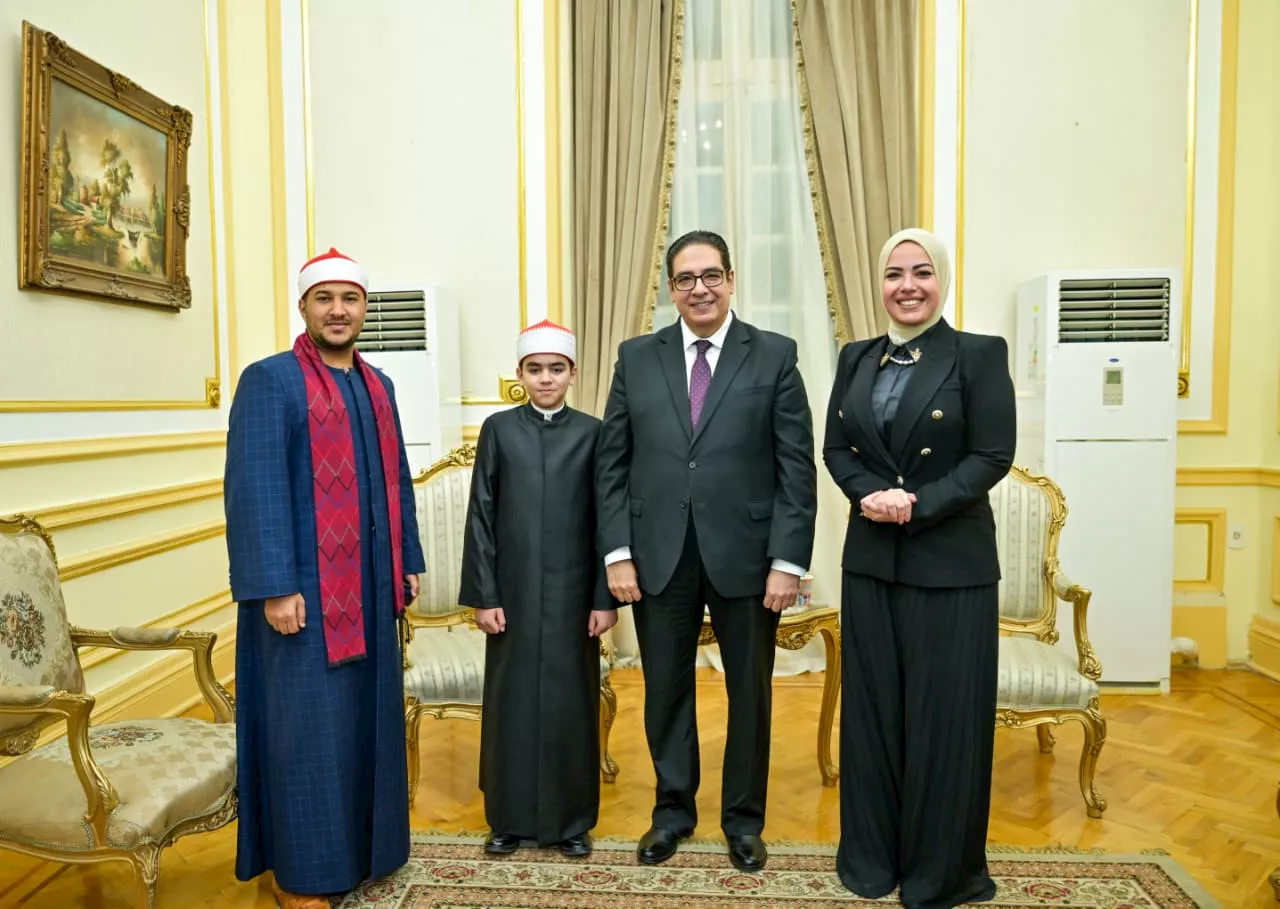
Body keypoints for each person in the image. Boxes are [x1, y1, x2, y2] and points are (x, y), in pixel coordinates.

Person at [595, 229, 818, 872]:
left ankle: (744, 820)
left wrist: (787, 562)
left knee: (750, 694)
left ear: (731, 279)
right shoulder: (636, 357)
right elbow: (612, 464)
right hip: (657, 554)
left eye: (711, 275)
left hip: (748, 558)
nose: (700, 288)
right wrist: (616, 551)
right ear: (671, 289)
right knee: (665, 690)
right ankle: (672, 814)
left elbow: (795, 467)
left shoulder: (774, 355)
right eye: (686, 278)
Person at [224, 247, 426, 909]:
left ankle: (366, 850)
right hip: (304, 593)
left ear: (364, 308)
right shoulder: (270, 380)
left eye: (350, 299)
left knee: (365, 723)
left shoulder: (378, 385)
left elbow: (397, 481)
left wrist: (408, 559)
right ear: (304, 306)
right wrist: (274, 587)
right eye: (325, 298)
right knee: (306, 730)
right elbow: (254, 491)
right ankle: (302, 874)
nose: (338, 310)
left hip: (370, 588)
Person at [822, 227, 1015, 907]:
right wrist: (866, 494)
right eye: (894, 273)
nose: (907, 285)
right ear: (880, 283)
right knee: (873, 716)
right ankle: (872, 861)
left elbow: (993, 454)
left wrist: (916, 504)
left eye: (922, 272)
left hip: (952, 565)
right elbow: (836, 448)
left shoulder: (978, 354)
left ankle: (939, 874)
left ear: (943, 280)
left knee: (945, 721)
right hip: (871, 562)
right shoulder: (855, 356)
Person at [459, 319, 620, 858]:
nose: (545, 378)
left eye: (556, 368)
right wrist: (484, 595)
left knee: (572, 705)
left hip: (575, 599)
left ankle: (572, 821)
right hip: (512, 596)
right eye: (535, 369)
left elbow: (607, 519)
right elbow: (481, 515)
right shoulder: (498, 430)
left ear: (573, 372)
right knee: (512, 704)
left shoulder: (594, 432)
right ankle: (506, 817)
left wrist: (603, 598)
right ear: (520, 374)